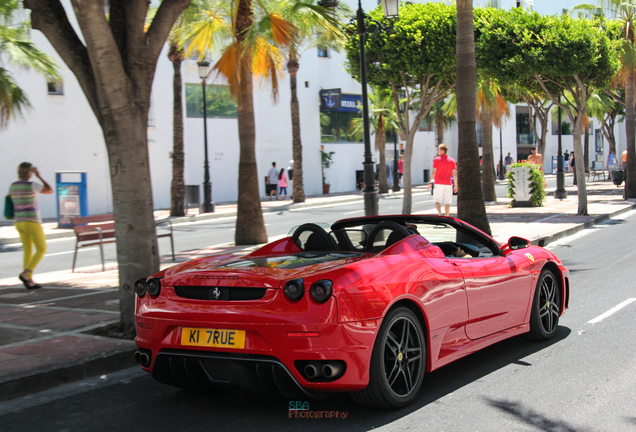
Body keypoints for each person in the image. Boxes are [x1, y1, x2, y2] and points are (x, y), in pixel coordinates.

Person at [7, 162, 53, 289]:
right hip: (31, 221)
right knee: (42, 249)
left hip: (18, 222)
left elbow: (9, 198)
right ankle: (25, 273)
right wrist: (40, 176)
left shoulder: (13, 186)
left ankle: (29, 280)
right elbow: (49, 190)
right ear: (30, 172)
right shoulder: (32, 185)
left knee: (28, 251)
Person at [427, 144, 457, 217]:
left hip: (438, 183)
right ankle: (447, 217)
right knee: (447, 202)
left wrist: (430, 182)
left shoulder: (436, 159)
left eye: (439, 150)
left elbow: (434, 172)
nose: (437, 152)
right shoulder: (452, 160)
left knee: (437, 200)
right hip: (448, 184)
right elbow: (454, 174)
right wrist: (456, 185)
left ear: (442, 151)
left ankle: (440, 213)